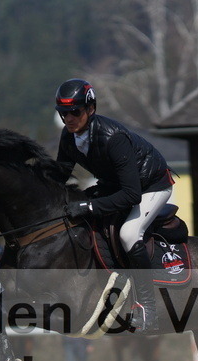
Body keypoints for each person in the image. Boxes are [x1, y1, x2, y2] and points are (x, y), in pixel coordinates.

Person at [55, 78, 173, 332]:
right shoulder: (68, 137)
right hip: (117, 185)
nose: (69, 119)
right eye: (63, 113)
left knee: (129, 233)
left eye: (75, 112)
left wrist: (87, 207)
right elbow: (59, 178)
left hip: (151, 186)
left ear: (90, 109)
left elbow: (131, 195)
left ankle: (147, 307)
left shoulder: (113, 138)